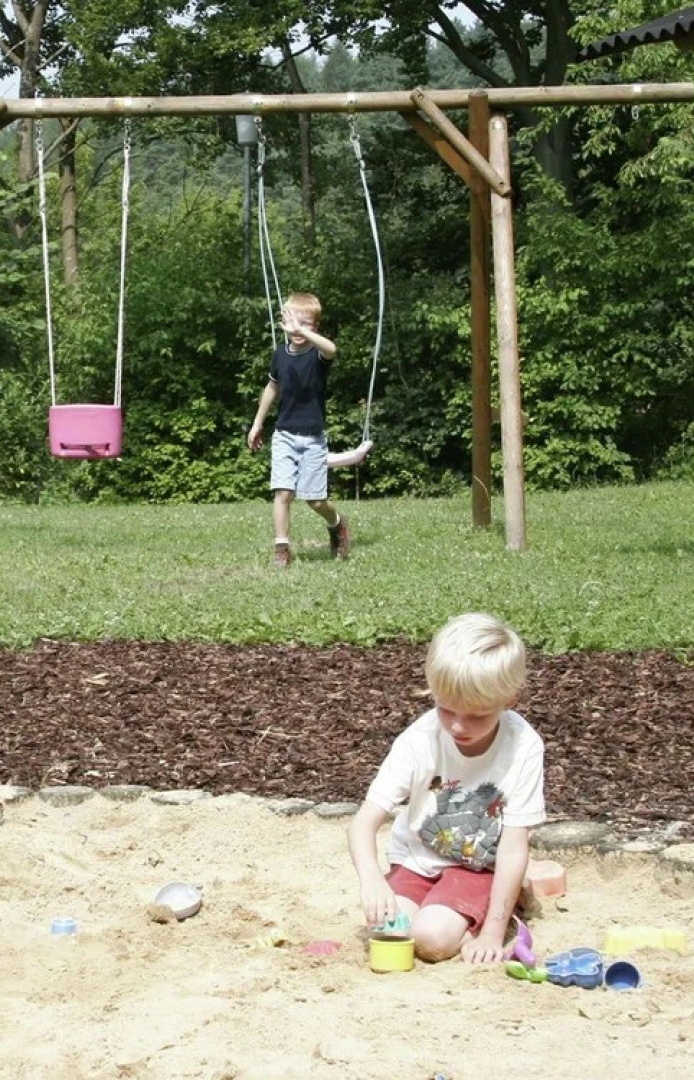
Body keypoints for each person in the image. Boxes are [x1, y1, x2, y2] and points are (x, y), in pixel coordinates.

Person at [347, 613, 545, 964]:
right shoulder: (419, 739)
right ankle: (457, 909)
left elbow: (514, 846)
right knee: (390, 929)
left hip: (479, 867)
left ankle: (505, 899)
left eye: (477, 715)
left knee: (431, 940)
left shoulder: (523, 747)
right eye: (446, 709)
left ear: (510, 699)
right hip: (417, 860)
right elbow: (362, 823)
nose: (458, 727)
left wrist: (492, 933)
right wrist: (372, 880)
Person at [246, 291, 351, 566]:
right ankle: (282, 548)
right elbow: (272, 387)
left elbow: (332, 349)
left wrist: (302, 330)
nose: (297, 329)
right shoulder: (280, 355)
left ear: (315, 327)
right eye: (292, 322)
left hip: (313, 438)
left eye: (305, 324)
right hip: (284, 435)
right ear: (283, 321)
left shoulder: (317, 355)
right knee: (282, 492)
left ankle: (337, 524)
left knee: (315, 501)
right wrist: (257, 423)